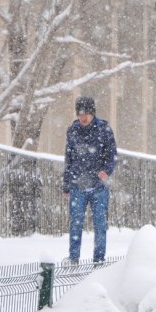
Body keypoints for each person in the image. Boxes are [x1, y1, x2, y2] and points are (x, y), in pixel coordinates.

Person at [62, 96, 117, 263]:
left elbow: (112, 155)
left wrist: (106, 171)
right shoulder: (72, 131)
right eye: (79, 114)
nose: (82, 117)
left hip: (98, 187)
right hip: (77, 186)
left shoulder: (104, 130)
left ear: (92, 113)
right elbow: (68, 159)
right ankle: (73, 259)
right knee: (75, 225)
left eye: (86, 113)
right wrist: (66, 186)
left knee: (100, 226)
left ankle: (98, 260)